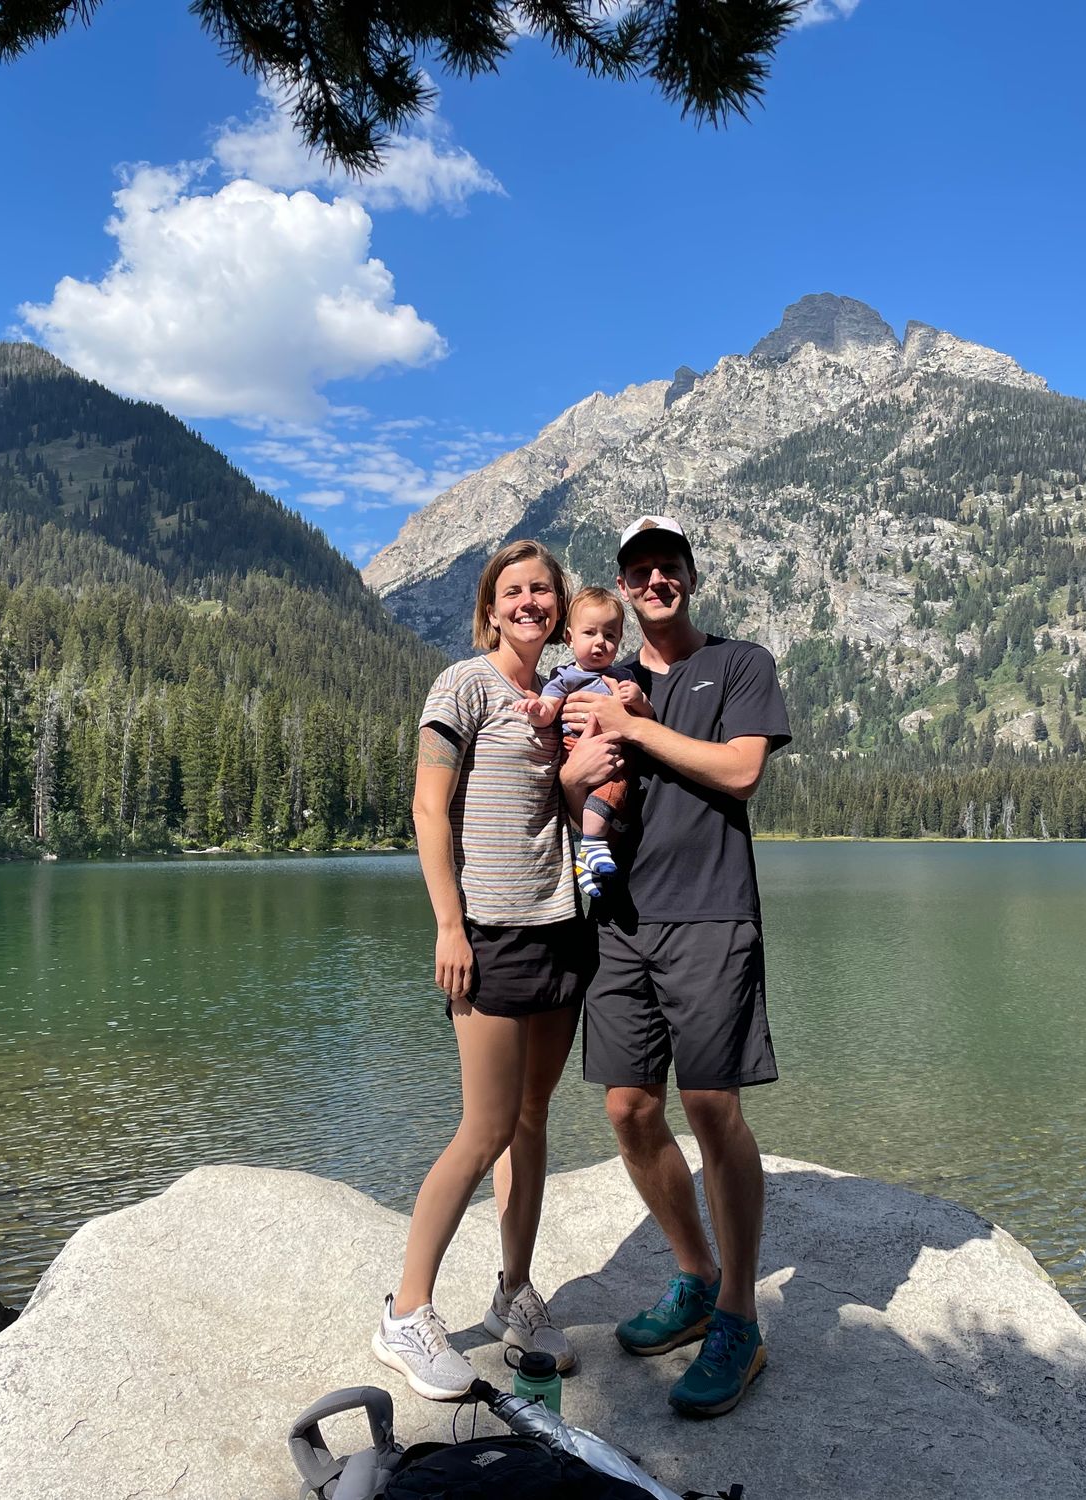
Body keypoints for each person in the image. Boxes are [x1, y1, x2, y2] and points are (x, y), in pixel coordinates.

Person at [560, 515, 791, 1420]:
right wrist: (583, 765)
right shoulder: (603, 679)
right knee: (627, 1105)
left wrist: (634, 729)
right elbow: (572, 782)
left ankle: (740, 1318)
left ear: (690, 577)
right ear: (622, 588)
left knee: (711, 1105)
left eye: (669, 566)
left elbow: (738, 774)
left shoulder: (738, 666)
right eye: (639, 570)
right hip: (618, 918)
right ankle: (696, 1277)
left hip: (710, 915)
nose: (655, 580)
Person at [373, 539, 603, 1402]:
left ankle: (515, 1292)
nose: (531, 602)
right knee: (483, 1130)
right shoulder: (463, 686)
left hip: (559, 931)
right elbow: (429, 807)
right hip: (490, 934)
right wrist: (448, 924)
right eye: (514, 591)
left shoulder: (557, 696)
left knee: (533, 1119)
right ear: (490, 606)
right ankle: (406, 1311)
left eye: (543, 590)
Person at [511, 586, 638, 900]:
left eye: (610, 636)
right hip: (573, 749)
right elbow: (548, 711)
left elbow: (644, 718)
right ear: (569, 638)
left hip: (613, 753)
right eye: (590, 633)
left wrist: (637, 699)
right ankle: (592, 847)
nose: (600, 642)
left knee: (616, 791)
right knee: (607, 793)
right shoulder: (565, 678)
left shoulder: (623, 677)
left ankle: (589, 856)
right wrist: (536, 709)